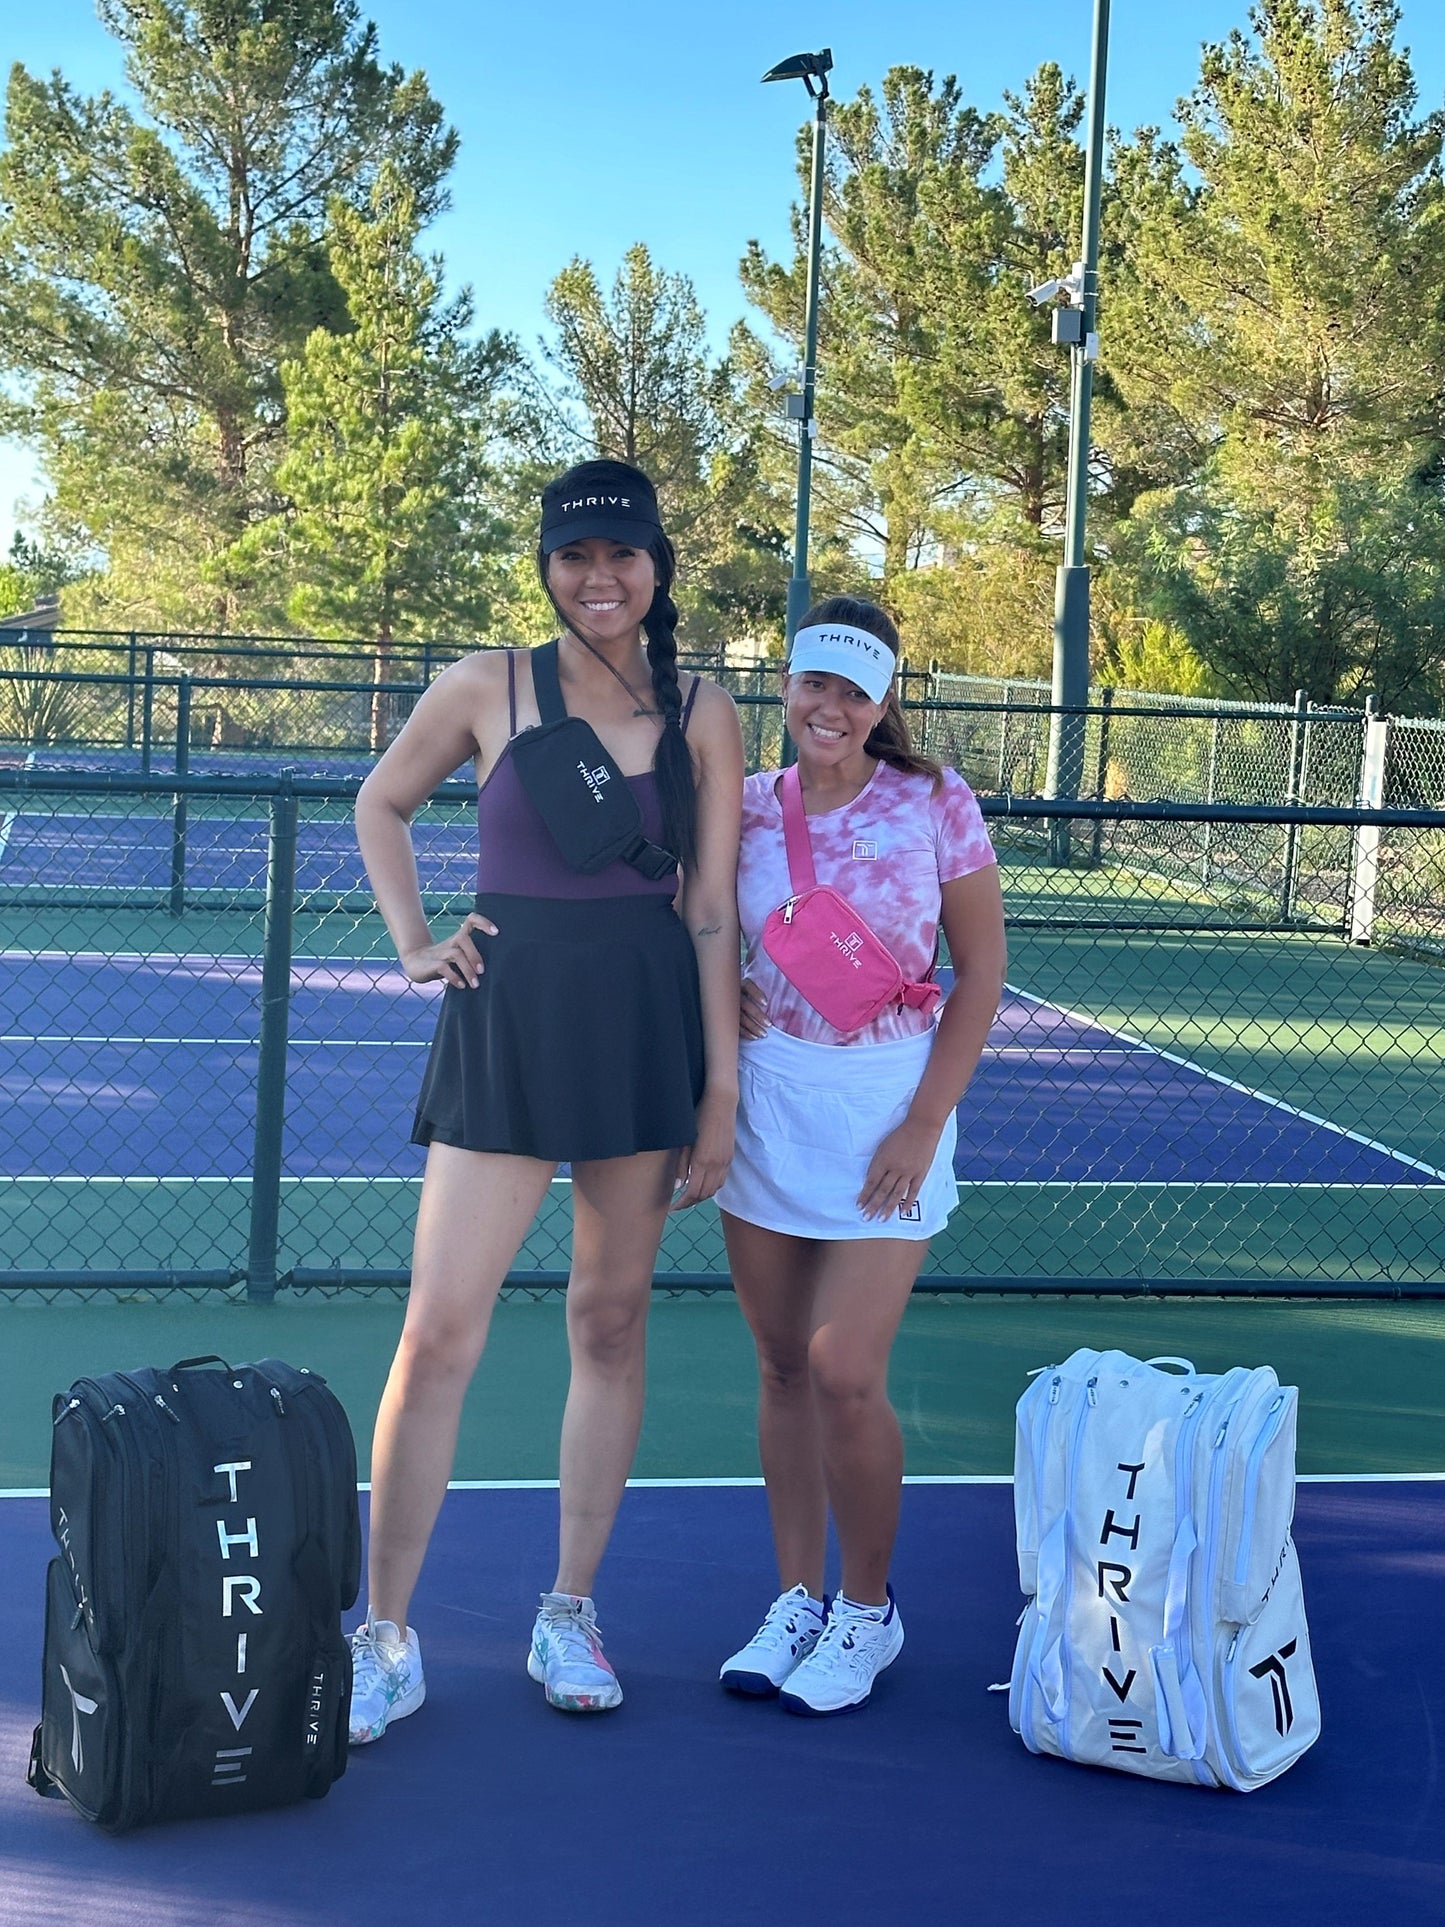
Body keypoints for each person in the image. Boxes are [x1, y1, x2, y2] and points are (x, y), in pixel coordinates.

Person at [349, 459, 743, 1736]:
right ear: (547, 568)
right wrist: (414, 942)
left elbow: (707, 910)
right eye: (575, 556)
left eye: (621, 554)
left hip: (639, 1032)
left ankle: (568, 1610)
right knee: (437, 1332)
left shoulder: (704, 708)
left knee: (608, 1323)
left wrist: (719, 1090)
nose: (599, 578)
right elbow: (381, 801)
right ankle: (384, 1634)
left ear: (656, 566)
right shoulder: (486, 684)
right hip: (507, 1023)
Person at [714, 595, 1005, 1716]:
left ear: (882, 702)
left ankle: (868, 1610)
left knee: (842, 1369)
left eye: (852, 690)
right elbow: (695, 932)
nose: (828, 708)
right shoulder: (745, 806)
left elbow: (980, 971)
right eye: (812, 685)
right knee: (781, 1367)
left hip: (889, 1109)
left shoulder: (934, 800)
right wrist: (723, 988)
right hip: (770, 1105)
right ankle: (795, 1598)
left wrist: (924, 1121)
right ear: (785, 689)